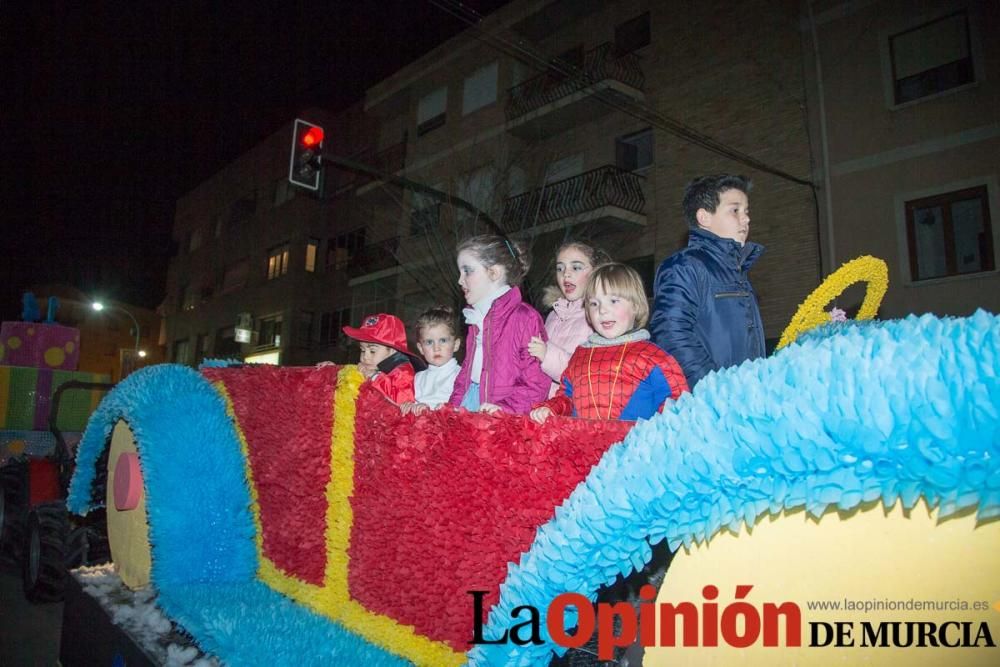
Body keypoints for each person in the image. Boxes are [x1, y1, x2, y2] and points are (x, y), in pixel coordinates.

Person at [530, 263, 688, 423]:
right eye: (594, 303)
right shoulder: (580, 356)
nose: (602, 310)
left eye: (613, 301)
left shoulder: (653, 357)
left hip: (633, 445)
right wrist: (551, 408)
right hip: (583, 444)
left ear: (636, 306)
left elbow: (679, 406)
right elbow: (566, 397)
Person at [650, 174, 765, 388]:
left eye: (746, 211)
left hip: (745, 397)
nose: (746, 219)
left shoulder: (736, 271)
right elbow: (670, 333)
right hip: (711, 402)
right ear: (704, 217)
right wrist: (713, 388)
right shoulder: (684, 267)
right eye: (735, 210)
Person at [448, 235, 551, 414]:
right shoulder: (476, 319)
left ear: (494, 273)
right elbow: (466, 374)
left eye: (467, 271)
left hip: (502, 414)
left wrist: (504, 410)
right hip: (472, 404)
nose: (460, 280)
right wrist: (451, 408)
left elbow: (536, 382)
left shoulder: (524, 317)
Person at [528, 240, 610, 396]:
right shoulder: (553, 314)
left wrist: (547, 355)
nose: (566, 274)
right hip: (541, 407)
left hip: (572, 409)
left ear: (595, 272)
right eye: (560, 268)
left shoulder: (600, 316)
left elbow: (589, 374)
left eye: (576, 267)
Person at [342, 313, 426, 404]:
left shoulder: (404, 372)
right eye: (362, 350)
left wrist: (375, 377)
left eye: (372, 351)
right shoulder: (373, 368)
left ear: (393, 350)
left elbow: (404, 402)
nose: (365, 357)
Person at [400, 306, 462, 415]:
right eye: (429, 342)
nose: (436, 348)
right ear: (420, 348)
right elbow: (416, 406)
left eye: (443, 340)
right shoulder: (418, 378)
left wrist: (431, 409)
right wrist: (410, 407)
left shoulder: (461, 375)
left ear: (456, 344)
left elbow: (464, 410)